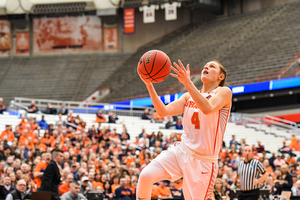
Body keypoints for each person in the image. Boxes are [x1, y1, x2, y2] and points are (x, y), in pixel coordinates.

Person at [136, 60, 232, 200]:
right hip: (181, 151)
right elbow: (163, 111)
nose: (206, 66)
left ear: (221, 77)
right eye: (205, 65)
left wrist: (187, 82)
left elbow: (208, 108)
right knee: (145, 176)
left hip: (203, 161)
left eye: (212, 66)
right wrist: (149, 85)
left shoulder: (224, 92)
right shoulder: (188, 96)